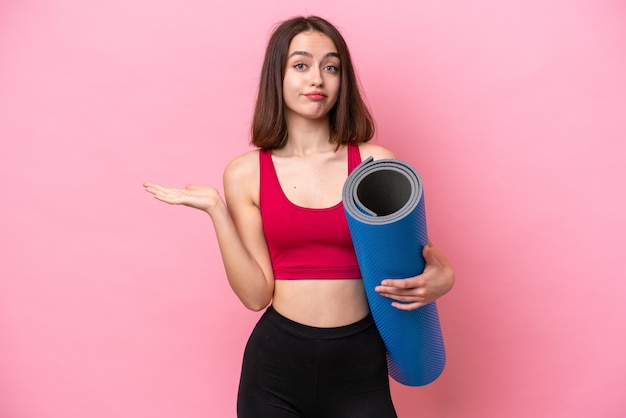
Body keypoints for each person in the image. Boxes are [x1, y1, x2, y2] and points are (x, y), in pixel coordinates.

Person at [144, 15, 454, 418]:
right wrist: (217, 210)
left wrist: (444, 277)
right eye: (301, 65)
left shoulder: (376, 163)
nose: (318, 80)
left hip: (360, 364)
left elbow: (418, 257)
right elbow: (256, 295)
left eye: (331, 67)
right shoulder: (245, 173)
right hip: (276, 367)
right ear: (278, 75)